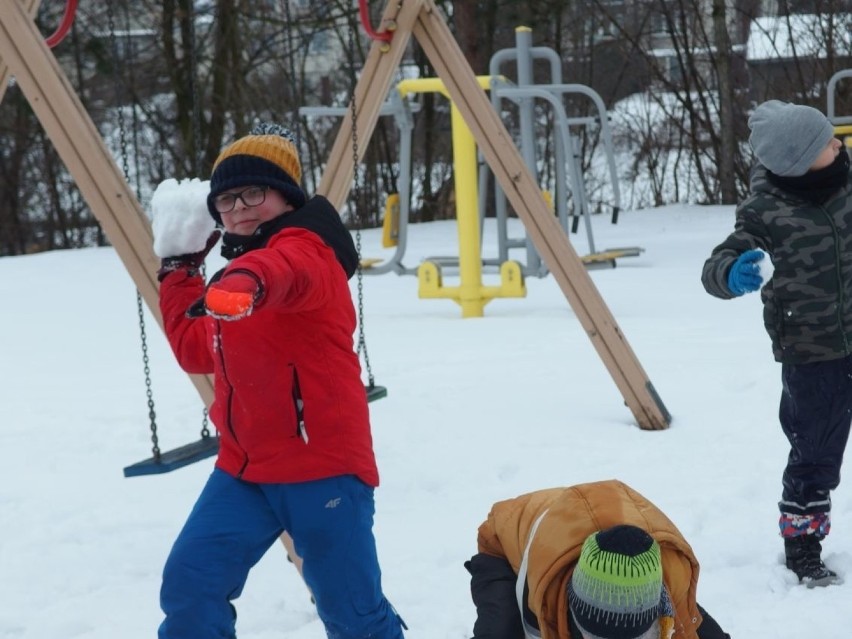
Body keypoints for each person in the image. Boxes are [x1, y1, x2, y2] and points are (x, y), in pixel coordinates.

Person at [152, 122, 405, 638]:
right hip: (245, 470)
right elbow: (196, 347)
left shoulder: (308, 251)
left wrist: (244, 280)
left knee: (352, 612)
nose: (239, 207)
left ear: (285, 195)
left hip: (322, 466)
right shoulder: (236, 279)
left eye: (253, 192)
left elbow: (284, 268)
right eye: (225, 200)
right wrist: (179, 270)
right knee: (190, 585)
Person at [702, 99, 850, 588]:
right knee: (815, 452)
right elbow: (717, 265)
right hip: (812, 354)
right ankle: (803, 542)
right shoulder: (765, 213)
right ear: (797, 162)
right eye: (826, 142)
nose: (838, 142)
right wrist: (732, 273)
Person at [465, 479, 730, 639]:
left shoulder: (670, 585)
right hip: (506, 540)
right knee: (500, 631)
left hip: (578, 522)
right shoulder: (550, 603)